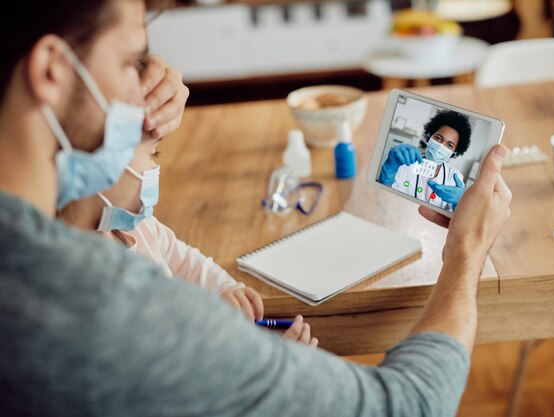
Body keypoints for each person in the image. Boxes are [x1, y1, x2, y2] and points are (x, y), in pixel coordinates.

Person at [0, 1, 511, 416]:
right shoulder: (110, 313)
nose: (160, 81)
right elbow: (410, 405)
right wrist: (466, 250)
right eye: (132, 61)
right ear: (52, 70)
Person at [58, 132, 318, 346]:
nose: (155, 168)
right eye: (152, 154)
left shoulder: (133, 225)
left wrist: (221, 289)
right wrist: (270, 366)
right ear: (102, 165)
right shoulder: (95, 284)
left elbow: (183, 261)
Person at [379, 110, 472, 212]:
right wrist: (389, 170)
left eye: (449, 145)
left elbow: (454, 217)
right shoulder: (406, 163)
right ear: (429, 137)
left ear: (455, 152)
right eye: (438, 138)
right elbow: (384, 196)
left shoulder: (455, 177)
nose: (441, 146)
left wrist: (458, 203)